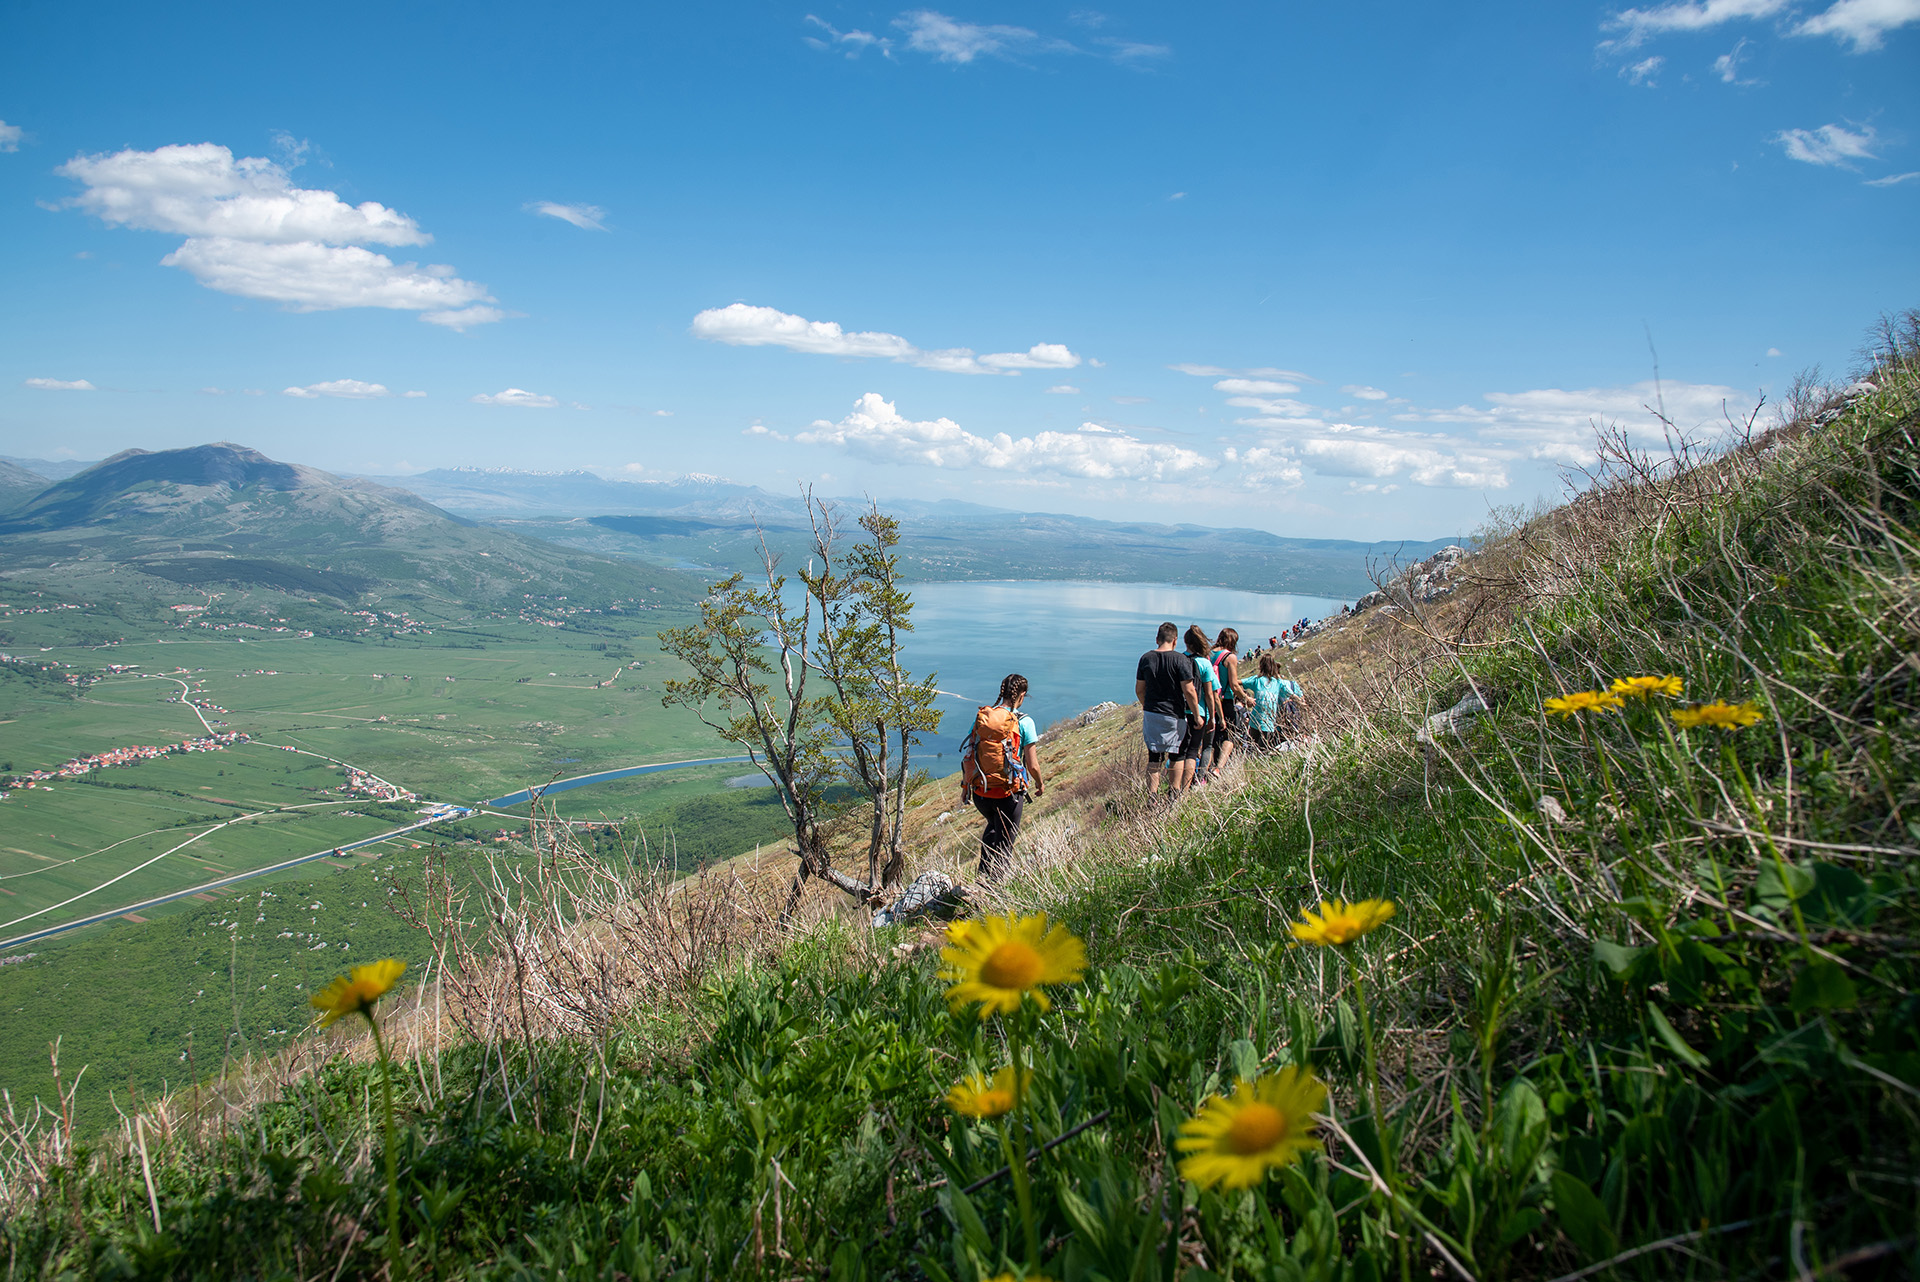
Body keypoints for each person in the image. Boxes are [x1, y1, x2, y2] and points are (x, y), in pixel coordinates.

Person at [961, 674, 1044, 878]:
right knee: (1005, 844)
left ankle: (981, 881)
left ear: (1002, 691)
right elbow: (1032, 765)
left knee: (992, 829)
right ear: (1022, 695)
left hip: (982, 792)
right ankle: (995, 892)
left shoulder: (984, 717)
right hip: (1009, 794)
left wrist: (965, 787)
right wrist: (1040, 784)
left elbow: (971, 753)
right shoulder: (1024, 722)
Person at [1135, 621, 1199, 797]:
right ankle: (1174, 793)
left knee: (1154, 758)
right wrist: (1197, 715)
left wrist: (1146, 706)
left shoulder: (1146, 658)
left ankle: (1152, 797)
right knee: (1176, 755)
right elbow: (1189, 691)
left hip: (1151, 714)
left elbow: (1139, 690)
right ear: (1175, 640)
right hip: (1174, 714)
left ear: (1157, 639)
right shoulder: (1181, 660)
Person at [1184, 625, 1222, 785]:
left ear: (1186, 642)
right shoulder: (1204, 663)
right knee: (1196, 750)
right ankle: (1197, 781)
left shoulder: (1180, 659)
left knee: (1182, 750)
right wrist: (1212, 717)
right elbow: (1210, 693)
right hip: (1200, 713)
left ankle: (1178, 784)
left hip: (1180, 711)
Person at [1209, 627, 1248, 776]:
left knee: (1213, 735)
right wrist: (1246, 698)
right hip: (1226, 699)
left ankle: (1206, 769)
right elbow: (1234, 685)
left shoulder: (1209, 654)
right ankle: (1219, 768)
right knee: (1231, 735)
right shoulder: (1229, 657)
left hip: (1210, 699)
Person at [1241, 654, 1298, 751]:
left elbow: (1236, 683)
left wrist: (1245, 697)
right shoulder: (1260, 680)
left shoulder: (1274, 681)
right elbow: (1291, 694)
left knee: (1255, 748)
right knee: (1261, 749)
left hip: (1261, 721)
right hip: (1264, 722)